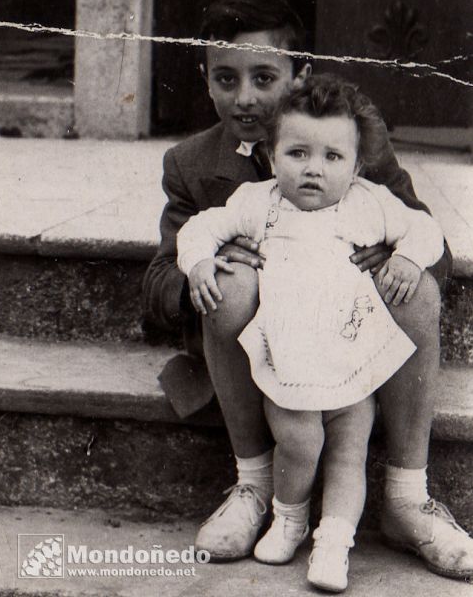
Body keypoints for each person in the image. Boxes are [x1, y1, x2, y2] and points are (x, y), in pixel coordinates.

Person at [143, 0, 473, 579]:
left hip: (342, 329)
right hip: (261, 344)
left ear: (301, 73)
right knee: (234, 283)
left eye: (265, 77)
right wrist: (209, 268)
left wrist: (388, 254)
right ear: (205, 79)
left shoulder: (349, 142)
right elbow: (159, 282)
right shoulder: (190, 163)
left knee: (417, 286)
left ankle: (405, 495)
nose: (244, 98)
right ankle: (252, 486)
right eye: (224, 79)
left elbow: (433, 245)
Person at [176, 74, 445, 591]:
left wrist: (408, 258)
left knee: (347, 453)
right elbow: (200, 227)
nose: (314, 170)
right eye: (297, 153)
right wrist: (199, 264)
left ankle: (335, 545)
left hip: (351, 361)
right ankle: (285, 516)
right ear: (272, 157)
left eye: (332, 158)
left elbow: (425, 228)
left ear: (357, 165)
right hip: (289, 364)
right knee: (297, 443)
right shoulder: (259, 202)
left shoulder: (370, 201)